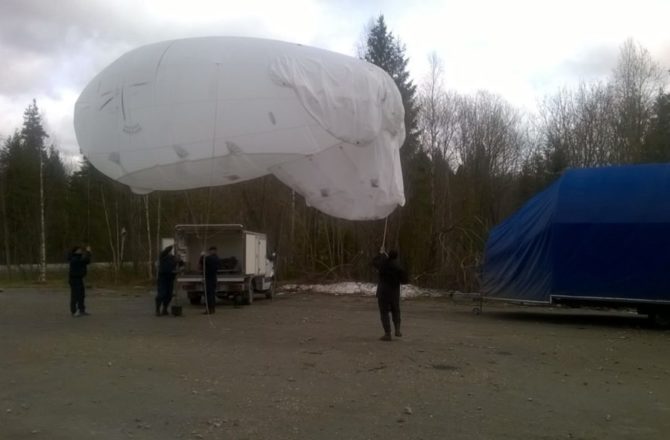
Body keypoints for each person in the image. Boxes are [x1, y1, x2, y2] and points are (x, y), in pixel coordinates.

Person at [373, 248, 408, 341]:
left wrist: (380, 254)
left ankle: (387, 333)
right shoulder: (399, 266)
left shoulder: (383, 264)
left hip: (383, 292)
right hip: (394, 292)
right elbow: (405, 280)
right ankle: (397, 329)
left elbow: (374, 262)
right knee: (396, 311)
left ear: (388, 255)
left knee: (384, 313)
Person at [155, 245, 183, 316]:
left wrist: (180, 266)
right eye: (170, 251)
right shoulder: (163, 257)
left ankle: (165, 309)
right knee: (161, 294)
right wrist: (173, 245)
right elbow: (165, 251)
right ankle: (157, 309)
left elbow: (181, 264)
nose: (171, 253)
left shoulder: (173, 258)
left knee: (169, 295)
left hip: (170, 279)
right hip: (163, 279)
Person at [68, 245, 92, 317]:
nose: (80, 251)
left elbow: (87, 261)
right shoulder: (74, 258)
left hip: (79, 279)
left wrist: (88, 253)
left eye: (81, 250)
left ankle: (82, 310)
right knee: (75, 296)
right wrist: (87, 252)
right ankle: (74, 311)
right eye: (79, 250)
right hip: (74, 279)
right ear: (75, 251)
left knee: (81, 295)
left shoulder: (79, 257)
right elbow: (83, 261)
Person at [203, 246, 221, 314]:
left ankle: (209, 309)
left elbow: (203, 262)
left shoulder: (211, 258)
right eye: (210, 250)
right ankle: (212, 309)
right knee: (211, 294)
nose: (210, 252)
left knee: (209, 295)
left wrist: (202, 256)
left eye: (211, 250)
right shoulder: (217, 258)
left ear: (214, 251)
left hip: (209, 278)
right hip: (213, 278)